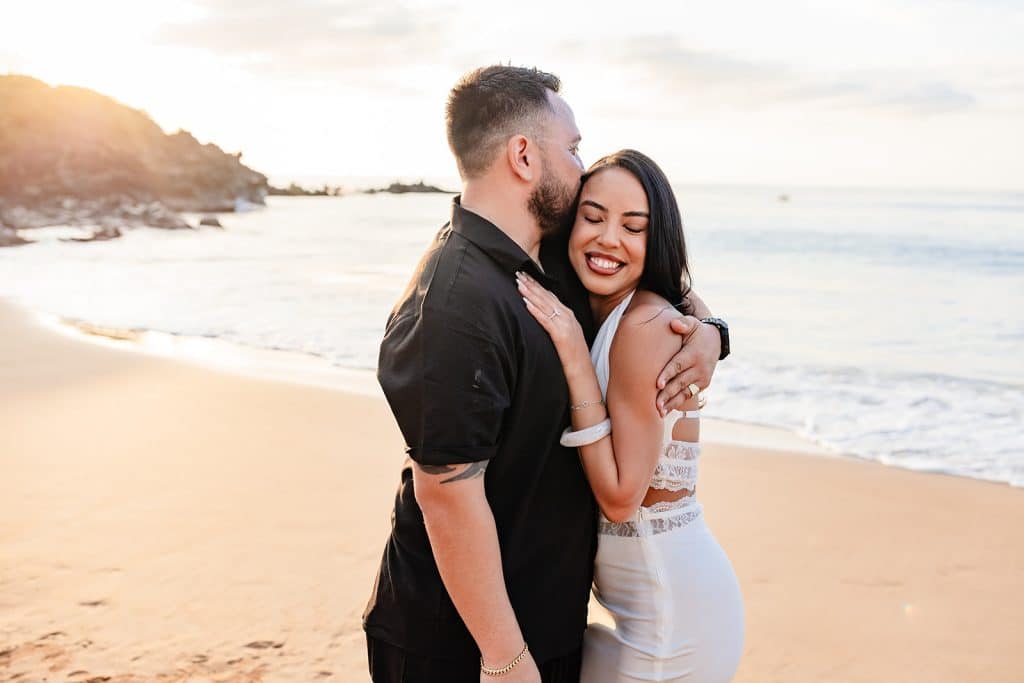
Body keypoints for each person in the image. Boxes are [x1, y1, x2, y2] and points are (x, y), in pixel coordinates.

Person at [363, 66, 729, 683]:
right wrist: (505, 659)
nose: (582, 168)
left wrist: (713, 332)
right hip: (461, 647)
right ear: (525, 156)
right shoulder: (455, 304)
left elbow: (654, 280)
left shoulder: (552, 251)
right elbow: (447, 496)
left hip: (552, 624)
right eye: (574, 147)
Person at [517, 149, 744, 682]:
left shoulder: (643, 327)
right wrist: (716, 330)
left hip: (671, 621)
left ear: (656, 239)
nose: (609, 239)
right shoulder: (619, 310)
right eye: (593, 218)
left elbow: (621, 499)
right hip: (652, 609)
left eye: (633, 227)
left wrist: (576, 359)